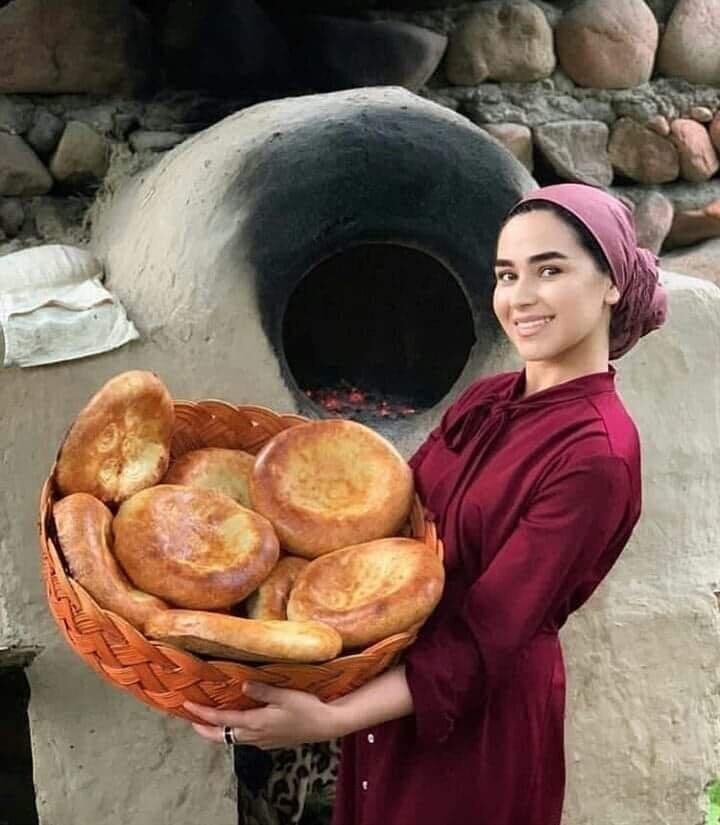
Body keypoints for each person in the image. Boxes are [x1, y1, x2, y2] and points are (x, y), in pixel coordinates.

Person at [184, 183, 668, 825]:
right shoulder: (490, 397)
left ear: (611, 281)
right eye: (505, 274)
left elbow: (487, 634)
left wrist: (328, 718)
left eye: (549, 270)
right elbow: (395, 523)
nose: (519, 297)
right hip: (395, 688)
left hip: (476, 719)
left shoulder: (597, 454)